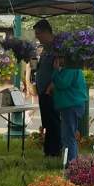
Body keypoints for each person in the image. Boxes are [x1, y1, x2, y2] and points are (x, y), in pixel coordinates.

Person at [50, 57, 88, 164]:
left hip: (71, 105)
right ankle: (72, 162)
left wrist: (55, 70)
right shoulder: (72, 68)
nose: (60, 59)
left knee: (68, 136)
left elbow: (62, 83)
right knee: (69, 135)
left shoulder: (71, 69)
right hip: (71, 105)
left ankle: (72, 164)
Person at [33, 19, 61, 157]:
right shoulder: (45, 47)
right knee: (47, 122)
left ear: (46, 32)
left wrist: (51, 86)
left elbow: (60, 69)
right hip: (43, 91)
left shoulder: (57, 47)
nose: (37, 36)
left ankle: (55, 151)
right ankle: (48, 150)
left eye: (38, 33)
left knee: (53, 122)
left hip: (51, 92)